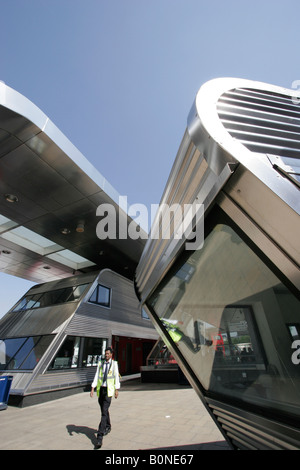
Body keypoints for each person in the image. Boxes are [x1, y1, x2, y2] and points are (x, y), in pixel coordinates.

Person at [90, 347, 120, 449]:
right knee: (104, 410)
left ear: (111, 355)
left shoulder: (114, 364)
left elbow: (116, 376)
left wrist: (117, 389)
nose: (106, 355)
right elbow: (96, 375)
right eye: (105, 354)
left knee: (103, 412)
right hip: (101, 390)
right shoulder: (101, 363)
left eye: (108, 354)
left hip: (109, 390)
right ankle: (108, 426)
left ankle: (99, 437)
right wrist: (93, 387)